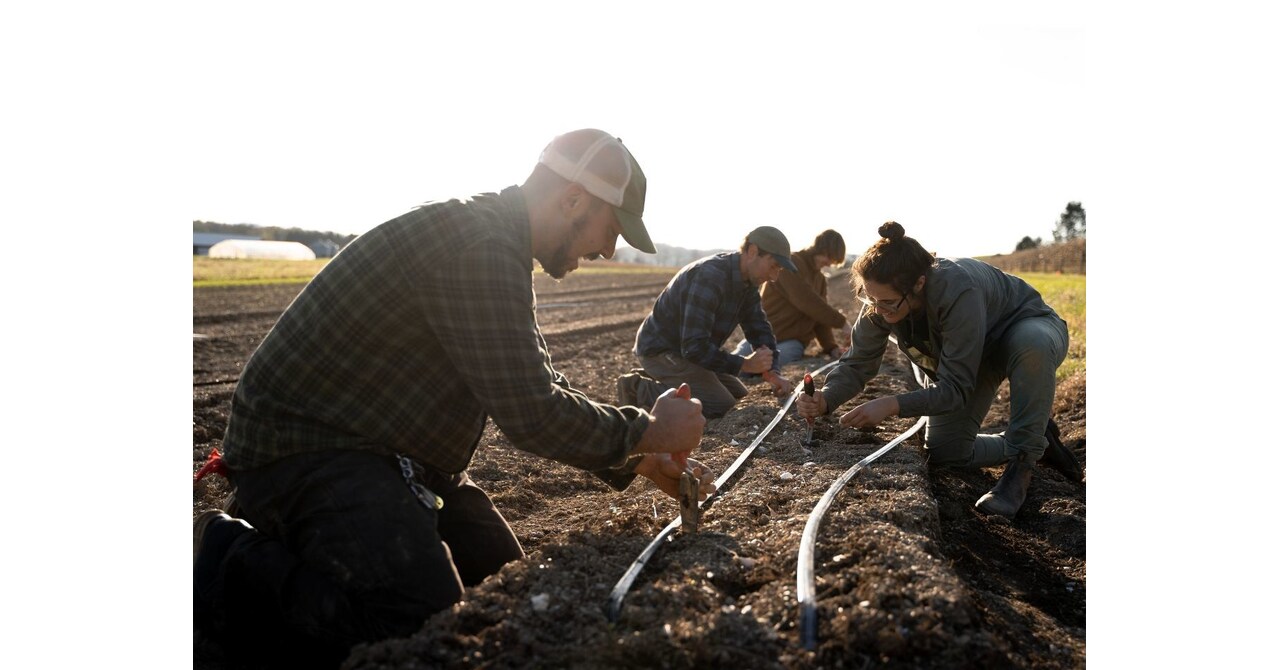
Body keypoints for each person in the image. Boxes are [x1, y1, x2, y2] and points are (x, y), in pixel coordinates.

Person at [192, 129, 716, 667]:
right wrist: (649, 429)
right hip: (306, 448)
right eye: (613, 228)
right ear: (574, 199)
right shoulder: (479, 245)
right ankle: (220, 556)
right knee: (417, 623)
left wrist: (639, 457)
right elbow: (531, 413)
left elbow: (535, 380)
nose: (609, 249)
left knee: (501, 586)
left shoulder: (499, 241)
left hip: (392, 450)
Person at [796, 221, 1083, 518]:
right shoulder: (881, 302)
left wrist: (893, 404)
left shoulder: (958, 290)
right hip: (974, 352)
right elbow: (858, 362)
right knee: (946, 452)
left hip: (1024, 328)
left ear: (918, 284)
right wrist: (825, 399)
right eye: (872, 300)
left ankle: (1022, 463)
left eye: (888, 303)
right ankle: (1038, 441)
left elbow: (956, 388)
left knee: (1030, 343)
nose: (878, 310)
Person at [618, 226, 798, 420]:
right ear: (753, 251)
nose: (774, 277)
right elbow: (694, 347)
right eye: (773, 266)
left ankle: (664, 377)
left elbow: (759, 327)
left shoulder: (748, 283)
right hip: (662, 351)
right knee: (720, 404)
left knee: (739, 394)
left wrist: (772, 372)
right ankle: (637, 387)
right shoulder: (709, 277)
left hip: (691, 354)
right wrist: (744, 364)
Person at [732, 228, 854, 368]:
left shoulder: (820, 280)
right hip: (764, 335)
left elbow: (818, 316)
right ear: (820, 248)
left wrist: (831, 347)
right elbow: (807, 301)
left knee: (770, 364)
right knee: (737, 362)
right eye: (828, 257)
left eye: (833, 261)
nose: (829, 263)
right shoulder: (789, 264)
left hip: (793, 341)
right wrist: (842, 322)